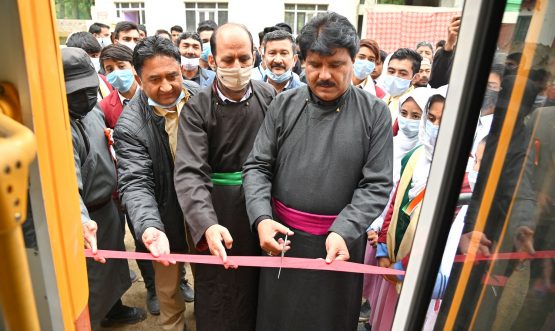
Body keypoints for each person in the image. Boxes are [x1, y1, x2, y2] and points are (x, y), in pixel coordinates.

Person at [243, 12, 393, 331]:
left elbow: (377, 184)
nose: (324, 75)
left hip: (339, 245)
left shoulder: (375, 113)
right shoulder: (284, 105)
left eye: (336, 64)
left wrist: (345, 229)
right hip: (283, 241)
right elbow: (257, 166)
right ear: (303, 62)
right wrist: (261, 218)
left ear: (352, 61)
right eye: (315, 64)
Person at [174, 22, 275, 331]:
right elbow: (191, 171)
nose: (237, 67)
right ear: (213, 60)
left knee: (257, 286)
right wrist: (205, 223)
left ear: (255, 57)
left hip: (261, 209)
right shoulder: (197, 108)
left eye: (244, 59)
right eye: (228, 60)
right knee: (219, 288)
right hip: (217, 211)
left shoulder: (268, 95)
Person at [113, 36, 198, 331]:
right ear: (138, 78)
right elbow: (135, 182)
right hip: (165, 218)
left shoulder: (201, 99)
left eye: (172, 76)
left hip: (204, 214)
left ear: (182, 70)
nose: (166, 87)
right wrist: (149, 226)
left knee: (212, 280)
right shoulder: (130, 125)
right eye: (154, 79)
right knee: (168, 288)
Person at [61, 47, 146, 328]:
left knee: (114, 267)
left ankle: (114, 308)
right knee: (93, 279)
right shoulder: (60, 128)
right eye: (75, 92)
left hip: (110, 207)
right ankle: (94, 321)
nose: (85, 97)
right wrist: (83, 221)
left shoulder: (92, 112)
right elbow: (68, 184)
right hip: (89, 217)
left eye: (89, 89)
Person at [380, 48, 422, 131]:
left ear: (415, 78)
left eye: (402, 73)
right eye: (391, 71)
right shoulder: (383, 98)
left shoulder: (416, 105)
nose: (395, 77)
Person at [66, 32, 113, 99]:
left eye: (94, 55)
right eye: (84, 57)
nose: (89, 61)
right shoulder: (68, 87)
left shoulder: (105, 80)